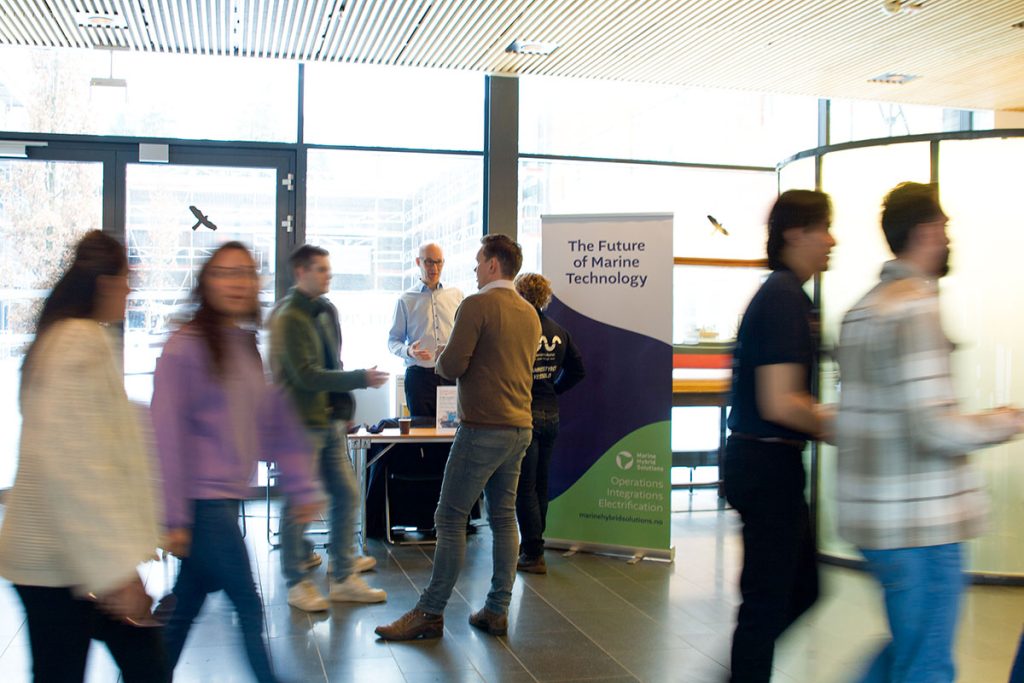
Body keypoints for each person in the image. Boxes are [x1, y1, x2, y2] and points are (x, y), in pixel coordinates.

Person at [835, 182, 1024, 683]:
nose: (948, 237)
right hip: (921, 522)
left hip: (877, 519)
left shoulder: (861, 308)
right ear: (928, 230)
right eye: (944, 227)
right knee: (926, 664)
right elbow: (934, 427)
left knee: (908, 651)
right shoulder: (916, 305)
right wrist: (1007, 421)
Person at [151, 242, 322, 683]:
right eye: (224, 273)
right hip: (202, 505)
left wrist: (301, 484)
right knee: (248, 605)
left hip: (225, 501)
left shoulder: (244, 346)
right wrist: (172, 518)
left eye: (245, 273)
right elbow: (166, 436)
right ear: (206, 282)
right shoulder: (184, 348)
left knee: (185, 606)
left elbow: (273, 422)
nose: (237, 282)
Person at [0, 231, 167, 682]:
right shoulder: (78, 342)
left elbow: (95, 438)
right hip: (63, 561)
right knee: (143, 666)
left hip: (62, 560)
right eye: (127, 279)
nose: (131, 290)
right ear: (105, 282)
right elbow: (73, 470)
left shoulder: (62, 337)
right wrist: (116, 574)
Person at [375, 233, 540, 641]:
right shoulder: (529, 312)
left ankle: (430, 612)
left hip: (482, 426)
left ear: (493, 264)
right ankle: (497, 610)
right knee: (503, 517)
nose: (473, 267)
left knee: (449, 517)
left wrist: (448, 356)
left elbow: (449, 366)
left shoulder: (475, 304)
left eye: (479, 260)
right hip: (520, 427)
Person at [723, 189, 835, 683]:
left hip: (764, 462)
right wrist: (843, 425)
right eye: (823, 228)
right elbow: (779, 400)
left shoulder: (786, 294)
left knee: (794, 591)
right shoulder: (785, 296)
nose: (832, 240)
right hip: (767, 465)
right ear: (795, 233)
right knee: (770, 600)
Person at [270, 244, 389, 611]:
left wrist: (341, 408)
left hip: (326, 421)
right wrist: (360, 379)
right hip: (299, 425)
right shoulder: (289, 317)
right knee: (298, 504)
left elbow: (329, 361)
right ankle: (297, 582)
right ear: (300, 272)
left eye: (328, 268)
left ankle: (341, 575)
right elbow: (305, 375)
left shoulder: (323, 311)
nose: (328, 274)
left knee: (347, 494)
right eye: (321, 269)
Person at [512, 272, 585, 575]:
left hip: (523, 413)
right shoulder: (559, 331)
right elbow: (578, 370)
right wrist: (554, 388)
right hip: (550, 413)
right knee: (541, 485)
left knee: (524, 488)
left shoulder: (517, 330)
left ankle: (532, 552)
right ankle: (534, 543)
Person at [387, 242, 463, 417]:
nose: (434, 268)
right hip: (419, 377)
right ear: (418, 262)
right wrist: (409, 351)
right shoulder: (406, 299)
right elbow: (393, 341)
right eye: (429, 262)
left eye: (439, 262)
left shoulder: (457, 296)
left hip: (450, 375)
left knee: (449, 434)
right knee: (421, 434)